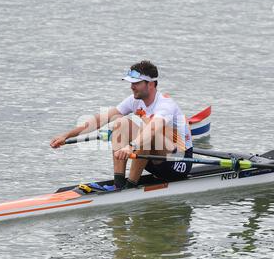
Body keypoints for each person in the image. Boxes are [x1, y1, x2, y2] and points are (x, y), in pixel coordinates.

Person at [50, 60, 193, 190]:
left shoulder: (165, 105)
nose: (131, 87)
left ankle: (130, 187)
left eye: (136, 83)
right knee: (120, 122)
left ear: (150, 84)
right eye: (131, 83)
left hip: (178, 162)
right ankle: (119, 185)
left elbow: (153, 128)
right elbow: (100, 119)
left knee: (147, 131)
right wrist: (66, 135)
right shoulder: (134, 100)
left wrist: (131, 146)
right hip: (153, 159)